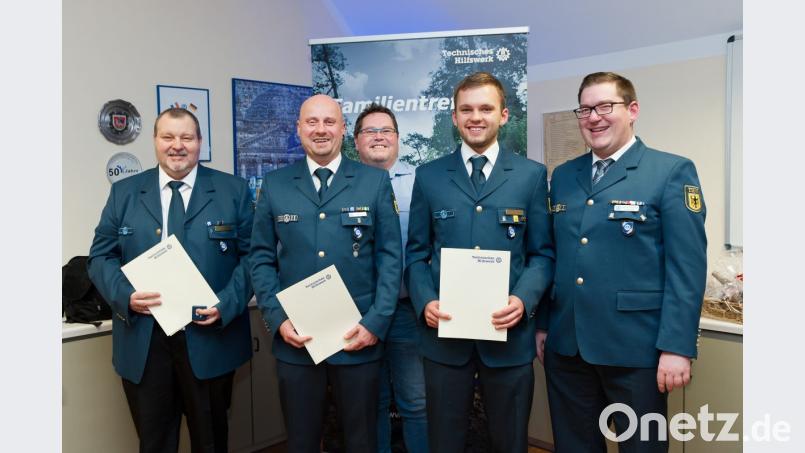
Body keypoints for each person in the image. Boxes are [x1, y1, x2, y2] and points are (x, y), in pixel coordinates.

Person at [536, 71, 707, 452]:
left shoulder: (670, 172)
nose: (594, 117)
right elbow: (556, 256)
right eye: (585, 109)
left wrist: (677, 347)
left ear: (632, 110)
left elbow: (687, 267)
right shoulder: (563, 176)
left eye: (605, 106)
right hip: (567, 347)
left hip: (637, 351)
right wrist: (545, 325)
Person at [88, 107, 254, 453]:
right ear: (155, 141)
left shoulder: (232, 190)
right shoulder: (126, 193)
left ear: (199, 143)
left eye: (186, 137)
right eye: (168, 137)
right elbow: (100, 257)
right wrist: (125, 296)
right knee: (155, 443)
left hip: (209, 339)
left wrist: (227, 303)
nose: (177, 146)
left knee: (210, 442)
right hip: (145, 343)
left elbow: (255, 257)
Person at [405, 71, 555, 452]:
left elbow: (542, 254)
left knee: (510, 440)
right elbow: (417, 254)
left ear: (504, 115)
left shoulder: (531, 176)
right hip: (445, 340)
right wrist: (424, 301)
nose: (476, 117)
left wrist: (523, 299)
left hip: (509, 338)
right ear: (454, 117)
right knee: (445, 441)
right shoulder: (429, 176)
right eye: (466, 109)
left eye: (486, 108)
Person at [249, 94, 402, 453]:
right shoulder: (275, 184)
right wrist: (278, 318)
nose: (321, 130)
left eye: (329, 122)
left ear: (344, 129)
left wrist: (375, 323)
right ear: (298, 129)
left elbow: (391, 257)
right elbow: (260, 258)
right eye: (312, 122)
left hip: (357, 337)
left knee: (361, 439)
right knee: (302, 440)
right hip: (296, 339)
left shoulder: (373, 182)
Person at [353, 103, 428, 453]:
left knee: (417, 403)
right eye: (370, 131)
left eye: (386, 131)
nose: (379, 137)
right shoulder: (344, 185)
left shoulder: (421, 184)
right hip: (357, 315)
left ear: (398, 139)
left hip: (406, 313)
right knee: (370, 405)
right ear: (355, 141)